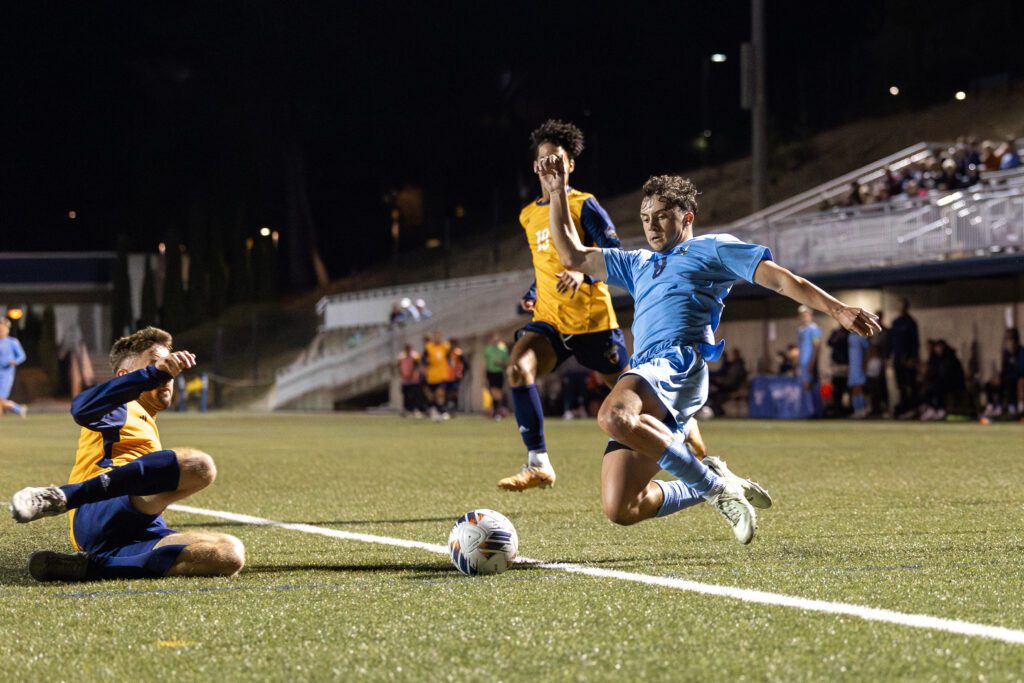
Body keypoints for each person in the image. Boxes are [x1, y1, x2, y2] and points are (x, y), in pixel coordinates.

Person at [536, 157, 880, 543]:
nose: (651, 225)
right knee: (622, 507)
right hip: (648, 370)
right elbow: (572, 256)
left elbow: (783, 281)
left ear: (687, 217)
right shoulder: (638, 262)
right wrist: (556, 194)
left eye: (663, 215)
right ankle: (713, 478)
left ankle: (714, 490)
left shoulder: (712, 249)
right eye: (646, 217)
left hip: (677, 363)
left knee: (614, 416)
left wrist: (838, 309)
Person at [7, 327, 245, 581]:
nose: (168, 374)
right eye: (157, 364)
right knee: (200, 466)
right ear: (125, 376)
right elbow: (81, 408)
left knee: (228, 554)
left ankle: (92, 566)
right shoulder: (122, 405)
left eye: (169, 367)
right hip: (99, 509)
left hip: (140, 530)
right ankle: (61, 496)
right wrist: (153, 374)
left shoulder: (146, 420)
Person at [498, 119, 629, 491]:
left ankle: (680, 430)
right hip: (550, 320)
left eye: (558, 159)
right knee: (517, 370)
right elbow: (546, 263)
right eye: (544, 161)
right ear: (535, 167)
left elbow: (614, 255)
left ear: (570, 164)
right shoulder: (527, 215)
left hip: (592, 321)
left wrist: (584, 276)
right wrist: (535, 292)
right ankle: (538, 463)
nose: (550, 166)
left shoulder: (584, 204)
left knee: (630, 396)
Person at [890, 298, 920, 417]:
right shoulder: (896, 322)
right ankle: (903, 409)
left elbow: (915, 342)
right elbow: (892, 341)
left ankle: (912, 408)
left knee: (910, 385)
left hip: (908, 358)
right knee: (900, 385)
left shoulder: (911, 322)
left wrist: (913, 357)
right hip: (897, 358)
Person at [796, 306, 822, 416]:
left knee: (811, 386)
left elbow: (816, 347)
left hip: (809, 362)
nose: (804, 317)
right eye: (802, 315)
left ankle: (815, 412)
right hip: (802, 363)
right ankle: (807, 411)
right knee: (804, 386)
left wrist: (812, 363)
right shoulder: (800, 330)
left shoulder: (814, 329)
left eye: (806, 314)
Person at [0, 317, 28, 418]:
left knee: (1, 399)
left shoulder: (12, 342)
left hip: (6, 374)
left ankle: (18, 409)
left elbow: (22, 356)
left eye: (2, 327)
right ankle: (19, 409)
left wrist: (15, 361)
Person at [423, 331, 451, 421]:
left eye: (439, 336)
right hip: (431, 375)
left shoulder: (445, 346)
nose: (437, 338)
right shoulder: (429, 347)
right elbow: (424, 359)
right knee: (432, 395)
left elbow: (449, 357)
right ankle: (436, 410)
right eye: (435, 336)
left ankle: (442, 411)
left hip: (442, 375)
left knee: (440, 393)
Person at [483, 333, 510, 420]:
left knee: (498, 392)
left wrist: (500, 362)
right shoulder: (488, 349)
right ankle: (496, 411)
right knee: (493, 392)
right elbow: (484, 363)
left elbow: (507, 362)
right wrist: (483, 375)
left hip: (499, 372)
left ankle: (498, 411)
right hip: (490, 372)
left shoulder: (503, 349)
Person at [848, 329, 871, 418]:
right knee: (854, 388)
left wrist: (865, 365)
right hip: (853, 366)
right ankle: (857, 410)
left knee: (859, 387)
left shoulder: (862, 336)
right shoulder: (850, 336)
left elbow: (867, 351)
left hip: (859, 365)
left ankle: (862, 409)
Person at [397, 344, 424, 418]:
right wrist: (403, 374)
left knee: (414, 396)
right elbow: (399, 366)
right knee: (406, 396)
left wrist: (412, 374)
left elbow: (416, 366)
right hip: (405, 380)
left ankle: (415, 410)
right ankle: (406, 410)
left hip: (414, 379)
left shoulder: (415, 356)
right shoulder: (401, 356)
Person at [446, 339, 465, 413]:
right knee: (447, 392)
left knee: (454, 392)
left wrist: (461, 372)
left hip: (455, 377)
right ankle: (447, 407)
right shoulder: (447, 353)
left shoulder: (458, 353)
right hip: (446, 376)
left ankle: (453, 407)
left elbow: (465, 364)